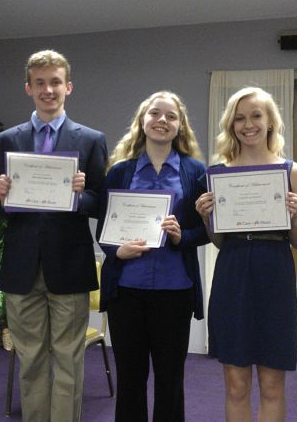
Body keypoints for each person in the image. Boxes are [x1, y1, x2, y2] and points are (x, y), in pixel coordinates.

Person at [0, 49, 107, 422]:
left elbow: (101, 203)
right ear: (28, 88)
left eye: (55, 82)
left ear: (68, 87)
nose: (48, 89)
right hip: (21, 266)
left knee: (69, 359)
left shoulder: (90, 139)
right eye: (39, 83)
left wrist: (80, 194)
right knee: (31, 359)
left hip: (69, 265)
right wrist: (2, 196)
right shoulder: (8, 139)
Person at [195, 87, 297, 422]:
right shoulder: (218, 173)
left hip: (274, 273)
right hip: (233, 272)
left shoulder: (292, 171)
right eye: (239, 118)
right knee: (235, 383)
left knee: (272, 384)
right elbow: (218, 241)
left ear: (270, 121)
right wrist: (205, 218)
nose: (248, 124)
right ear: (231, 125)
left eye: (256, 115)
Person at [96, 91, 208, 422]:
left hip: (175, 292)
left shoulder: (195, 172)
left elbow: (205, 232)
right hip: (126, 291)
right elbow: (104, 231)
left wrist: (181, 236)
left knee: (170, 379)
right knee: (130, 379)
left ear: (180, 126)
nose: (162, 121)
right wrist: (118, 250)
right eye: (155, 114)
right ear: (142, 122)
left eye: (171, 116)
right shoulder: (119, 172)